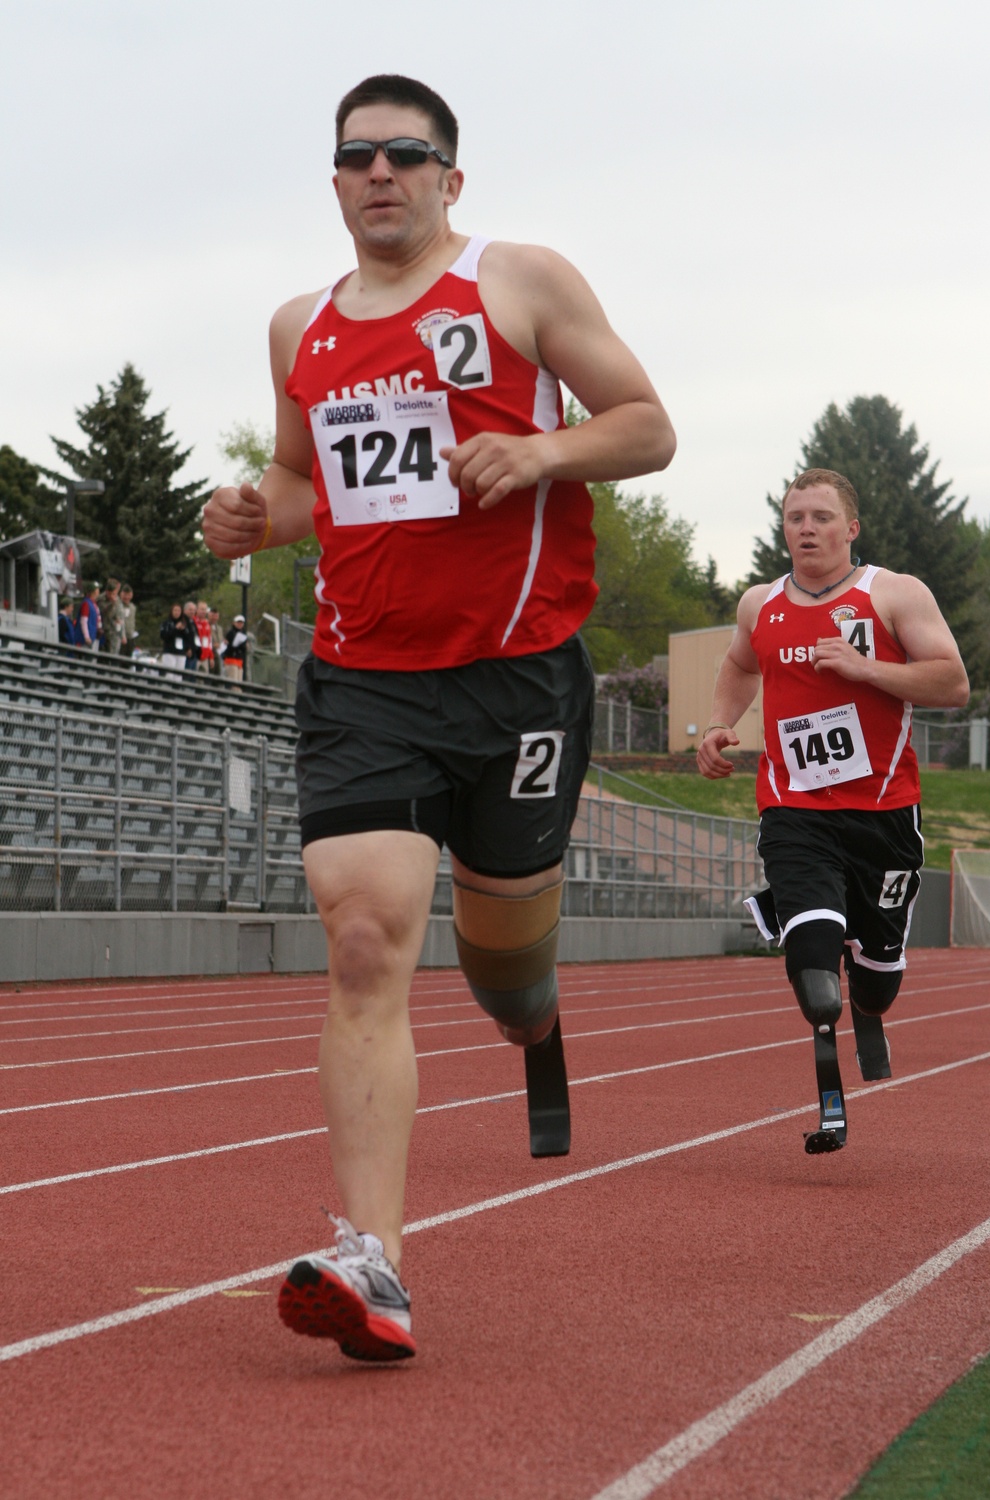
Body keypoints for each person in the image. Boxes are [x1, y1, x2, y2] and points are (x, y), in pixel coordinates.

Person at [202, 72, 675, 1363]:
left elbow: (649, 428)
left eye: (406, 155)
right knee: (364, 938)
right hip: (366, 685)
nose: (379, 175)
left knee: (503, 968)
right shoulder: (299, 327)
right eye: (356, 157)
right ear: (337, 180)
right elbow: (308, 490)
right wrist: (250, 514)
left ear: (450, 179)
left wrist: (540, 452)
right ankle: (376, 1263)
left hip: (520, 678)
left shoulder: (519, 285)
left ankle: (534, 1012)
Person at [697, 468, 969, 1153]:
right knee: (816, 971)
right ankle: (830, 1086)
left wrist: (865, 668)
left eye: (821, 517)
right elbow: (738, 666)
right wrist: (717, 723)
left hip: (883, 814)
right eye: (795, 518)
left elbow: (952, 681)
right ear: (783, 528)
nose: (807, 529)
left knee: (876, 987)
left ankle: (870, 999)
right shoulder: (759, 604)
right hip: (794, 807)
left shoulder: (895, 594)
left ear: (851, 528)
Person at [159, 602, 192, 671]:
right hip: (169, 652)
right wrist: (175, 628)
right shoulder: (166, 623)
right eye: (175, 610)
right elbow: (164, 636)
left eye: (179, 611)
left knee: (179, 676)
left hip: (181, 653)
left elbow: (188, 638)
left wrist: (188, 648)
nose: (177, 612)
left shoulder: (184, 624)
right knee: (169, 674)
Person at [100, 578, 126, 656]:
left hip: (116, 632)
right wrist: (112, 604)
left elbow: (121, 617)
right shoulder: (102, 599)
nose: (114, 596)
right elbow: (106, 614)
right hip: (106, 632)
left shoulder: (117, 600)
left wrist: (123, 635)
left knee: (114, 656)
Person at [220, 614, 248, 683]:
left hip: (239, 661)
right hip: (231, 660)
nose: (240, 624)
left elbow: (243, 648)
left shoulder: (243, 634)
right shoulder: (231, 633)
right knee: (233, 682)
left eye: (241, 623)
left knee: (239, 682)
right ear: (234, 623)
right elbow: (227, 647)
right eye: (238, 622)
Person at [75, 583, 102, 651]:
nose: (98, 591)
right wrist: (86, 637)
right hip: (86, 639)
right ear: (94, 591)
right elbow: (83, 621)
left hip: (92, 636)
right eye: (97, 589)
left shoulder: (93, 603)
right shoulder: (86, 603)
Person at [193, 601, 215, 673]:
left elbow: (209, 641)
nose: (203, 611)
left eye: (205, 609)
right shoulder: (193, 621)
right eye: (202, 609)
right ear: (197, 609)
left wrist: (211, 657)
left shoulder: (207, 623)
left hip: (205, 656)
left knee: (204, 679)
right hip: (196, 655)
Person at [120, 584, 137, 657]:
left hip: (130, 637)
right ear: (121, 594)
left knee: (128, 660)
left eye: (128, 595)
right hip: (120, 637)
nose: (126, 597)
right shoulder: (118, 606)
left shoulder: (133, 607)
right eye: (125, 595)